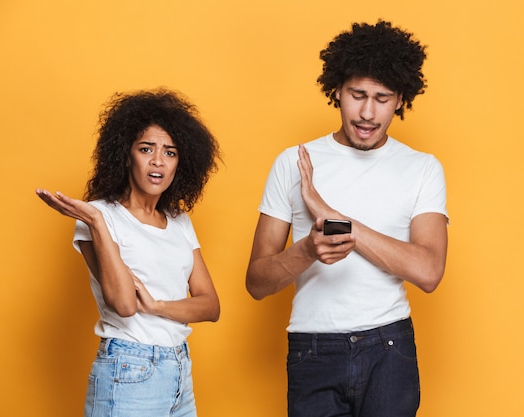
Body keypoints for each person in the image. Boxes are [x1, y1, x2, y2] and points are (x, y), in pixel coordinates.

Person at [245, 21, 448, 417]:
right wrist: (305, 251)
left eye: (382, 98)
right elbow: (256, 282)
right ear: (336, 90)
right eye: (357, 95)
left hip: (389, 349)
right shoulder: (293, 163)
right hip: (312, 350)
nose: (368, 113)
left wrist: (338, 219)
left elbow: (428, 271)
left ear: (400, 99)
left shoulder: (422, 168)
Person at [36, 88, 221, 417]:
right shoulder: (99, 216)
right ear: (126, 154)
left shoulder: (179, 222)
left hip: (179, 369)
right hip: (129, 370)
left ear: (182, 161)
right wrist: (95, 220)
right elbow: (122, 303)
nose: (158, 161)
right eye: (146, 149)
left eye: (170, 152)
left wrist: (158, 305)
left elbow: (210, 305)